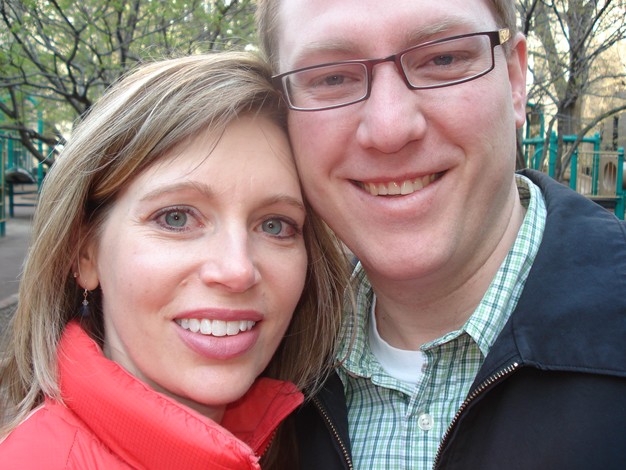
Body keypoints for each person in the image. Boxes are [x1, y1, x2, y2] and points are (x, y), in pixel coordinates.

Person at [256, 0, 626, 468]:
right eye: (331, 78)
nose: (390, 129)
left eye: (443, 59)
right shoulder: (250, 371)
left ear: (515, 81)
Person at [0, 51, 349, 469]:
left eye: (275, 225)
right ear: (84, 252)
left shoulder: (299, 437)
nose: (237, 270)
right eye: (176, 218)